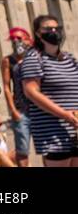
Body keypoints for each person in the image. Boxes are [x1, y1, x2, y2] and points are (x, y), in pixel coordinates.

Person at [19, 14, 78, 167]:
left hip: (75, 129)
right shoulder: (34, 58)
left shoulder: (69, 59)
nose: (54, 31)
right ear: (38, 34)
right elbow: (31, 92)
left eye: (56, 28)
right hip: (52, 130)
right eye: (48, 28)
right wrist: (65, 114)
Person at [1, 26, 34, 165]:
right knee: (22, 150)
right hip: (21, 110)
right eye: (13, 39)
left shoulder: (35, 57)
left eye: (19, 38)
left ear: (28, 40)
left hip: (40, 108)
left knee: (48, 148)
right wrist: (13, 110)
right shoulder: (8, 60)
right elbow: (7, 86)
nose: (16, 41)